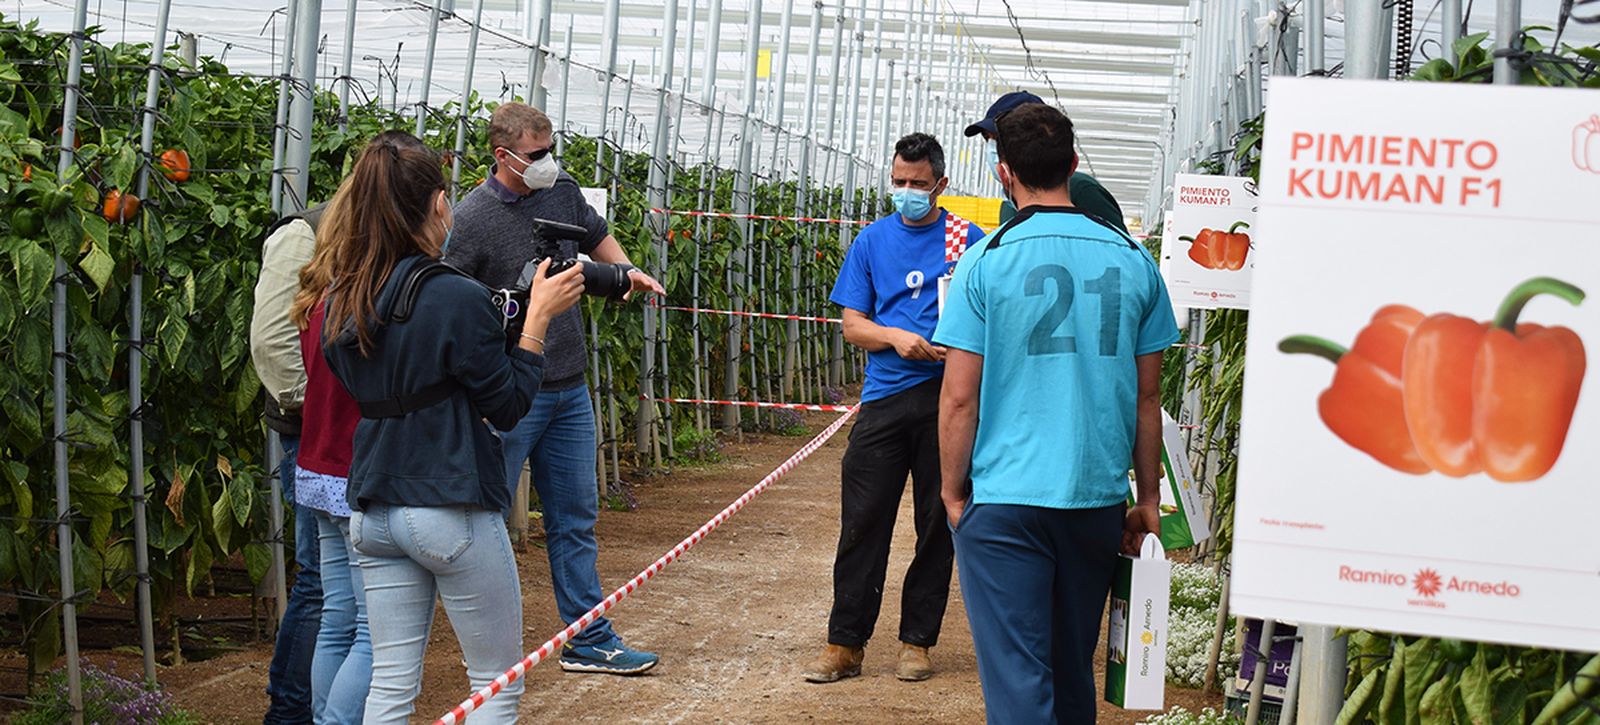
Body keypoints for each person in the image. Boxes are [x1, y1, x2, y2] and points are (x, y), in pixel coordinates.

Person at [320, 132, 585, 723]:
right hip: (448, 503)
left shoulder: (344, 295)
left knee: (389, 685)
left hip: (373, 507)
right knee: (495, 683)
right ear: (439, 204)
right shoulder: (454, 297)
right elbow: (510, 404)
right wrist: (537, 318)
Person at [933, 103, 1178, 723]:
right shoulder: (1133, 260)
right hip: (1093, 498)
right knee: (1072, 669)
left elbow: (960, 396)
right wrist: (1145, 497)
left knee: (1020, 678)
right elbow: (1147, 399)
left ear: (1003, 172)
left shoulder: (985, 261)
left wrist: (953, 491)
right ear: (1073, 164)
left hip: (1006, 497)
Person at [444, 102, 663, 675]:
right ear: (503, 155)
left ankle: (587, 638)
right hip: (512, 391)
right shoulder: (470, 220)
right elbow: (454, 302)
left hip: (567, 385)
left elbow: (596, 233)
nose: (549, 163)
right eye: (536, 155)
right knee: (483, 513)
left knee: (574, 516)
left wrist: (626, 271)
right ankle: (478, 641)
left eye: (550, 150)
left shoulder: (562, 188)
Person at [801, 132, 984, 685]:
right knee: (862, 521)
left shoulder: (968, 241)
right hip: (883, 399)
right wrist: (895, 337)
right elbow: (852, 324)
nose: (907, 192)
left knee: (936, 521)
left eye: (918, 185)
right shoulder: (872, 241)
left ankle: (916, 642)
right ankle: (844, 644)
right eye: (899, 182)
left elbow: (983, 319)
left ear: (941, 185)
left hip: (948, 400)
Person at [285, 134, 427, 723]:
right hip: (360, 472)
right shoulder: (384, 298)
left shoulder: (324, 291)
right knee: (376, 631)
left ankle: (324, 719)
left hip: (317, 466)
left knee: (339, 617)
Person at [249, 186, 323, 725]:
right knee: (322, 578)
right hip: (313, 432)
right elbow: (273, 341)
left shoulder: (392, 233)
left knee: (347, 582)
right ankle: (291, 710)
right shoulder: (305, 235)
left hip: (357, 432)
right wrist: (323, 405)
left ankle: (325, 705)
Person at [964, 90, 1128, 234]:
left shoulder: (1081, 190)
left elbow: (1121, 251)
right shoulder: (1008, 204)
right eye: (987, 139)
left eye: (998, 139)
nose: (992, 148)